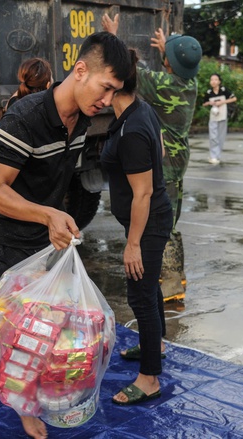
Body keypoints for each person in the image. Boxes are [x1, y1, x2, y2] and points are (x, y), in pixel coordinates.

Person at [0, 31, 130, 439]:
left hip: (43, 241)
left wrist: (55, 221)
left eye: (115, 93)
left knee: (43, 330)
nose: (108, 101)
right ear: (80, 71)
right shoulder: (24, 118)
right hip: (4, 239)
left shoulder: (80, 121)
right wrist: (48, 215)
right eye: (105, 88)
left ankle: (27, 407)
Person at [101, 13, 202, 302]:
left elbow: (131, 72)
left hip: (166, 163)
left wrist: (115, 36)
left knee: (163, 226)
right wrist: (168, 51)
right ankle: (177, 276)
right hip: (178, 161)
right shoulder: (188, 83)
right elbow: (165, 70)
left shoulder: (162, 84)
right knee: (172, 221)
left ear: (169, 64)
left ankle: (170, 288)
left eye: (168, 57)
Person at [100, 48, 172, 405]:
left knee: (139, 295)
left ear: (115, 86)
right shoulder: (138, 109)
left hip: (148, 221)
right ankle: (154, 345)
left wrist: (133, 244)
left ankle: (149, 378)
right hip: (152, 217)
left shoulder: (131, 128)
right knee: (149, 287)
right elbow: (157, 153)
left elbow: (142, 194)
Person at [203, 73, 236, 165]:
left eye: (215, 79)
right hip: (213, 116)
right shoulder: (209, 92)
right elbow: (204, 103)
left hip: (223, 115)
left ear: (219, 81)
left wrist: (222, 102)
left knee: (221, 136)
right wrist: (210, 103)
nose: (213, 81)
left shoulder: (224, 90)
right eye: (211, 80)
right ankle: (213, 156)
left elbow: (234, 99)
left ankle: (217, 156)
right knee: (213, 136)